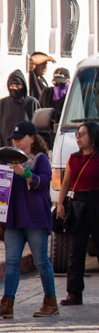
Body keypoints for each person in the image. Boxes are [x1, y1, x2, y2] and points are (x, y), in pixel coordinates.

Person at [56, 122, 99, 306]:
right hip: (78, 205)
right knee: (76, 252)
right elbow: (66, 183)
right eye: (77, 133)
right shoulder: (73, 159)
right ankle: (74, 293)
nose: (78, 136)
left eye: (82, 133)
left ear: (93, 136)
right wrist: (60, 203)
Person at [1, 122, 58, 318]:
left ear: (32, 138)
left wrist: (25, 173)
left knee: (41, 261)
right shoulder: (6, 160)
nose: (16, 141)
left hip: (35, 218)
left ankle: (51, 302)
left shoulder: (41, 159)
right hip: (13, 219)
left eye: (21, 137)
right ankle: (7, 304)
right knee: (12, 261)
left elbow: (44, 183)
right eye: (14, 138)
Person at [0, 71, 39, 142]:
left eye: (18, 86)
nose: (15, 89)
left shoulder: (31, 103)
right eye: (12, 86)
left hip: (26, 147)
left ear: (23, 86)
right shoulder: (3, 103)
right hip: (5, 146)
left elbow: (38, 127)